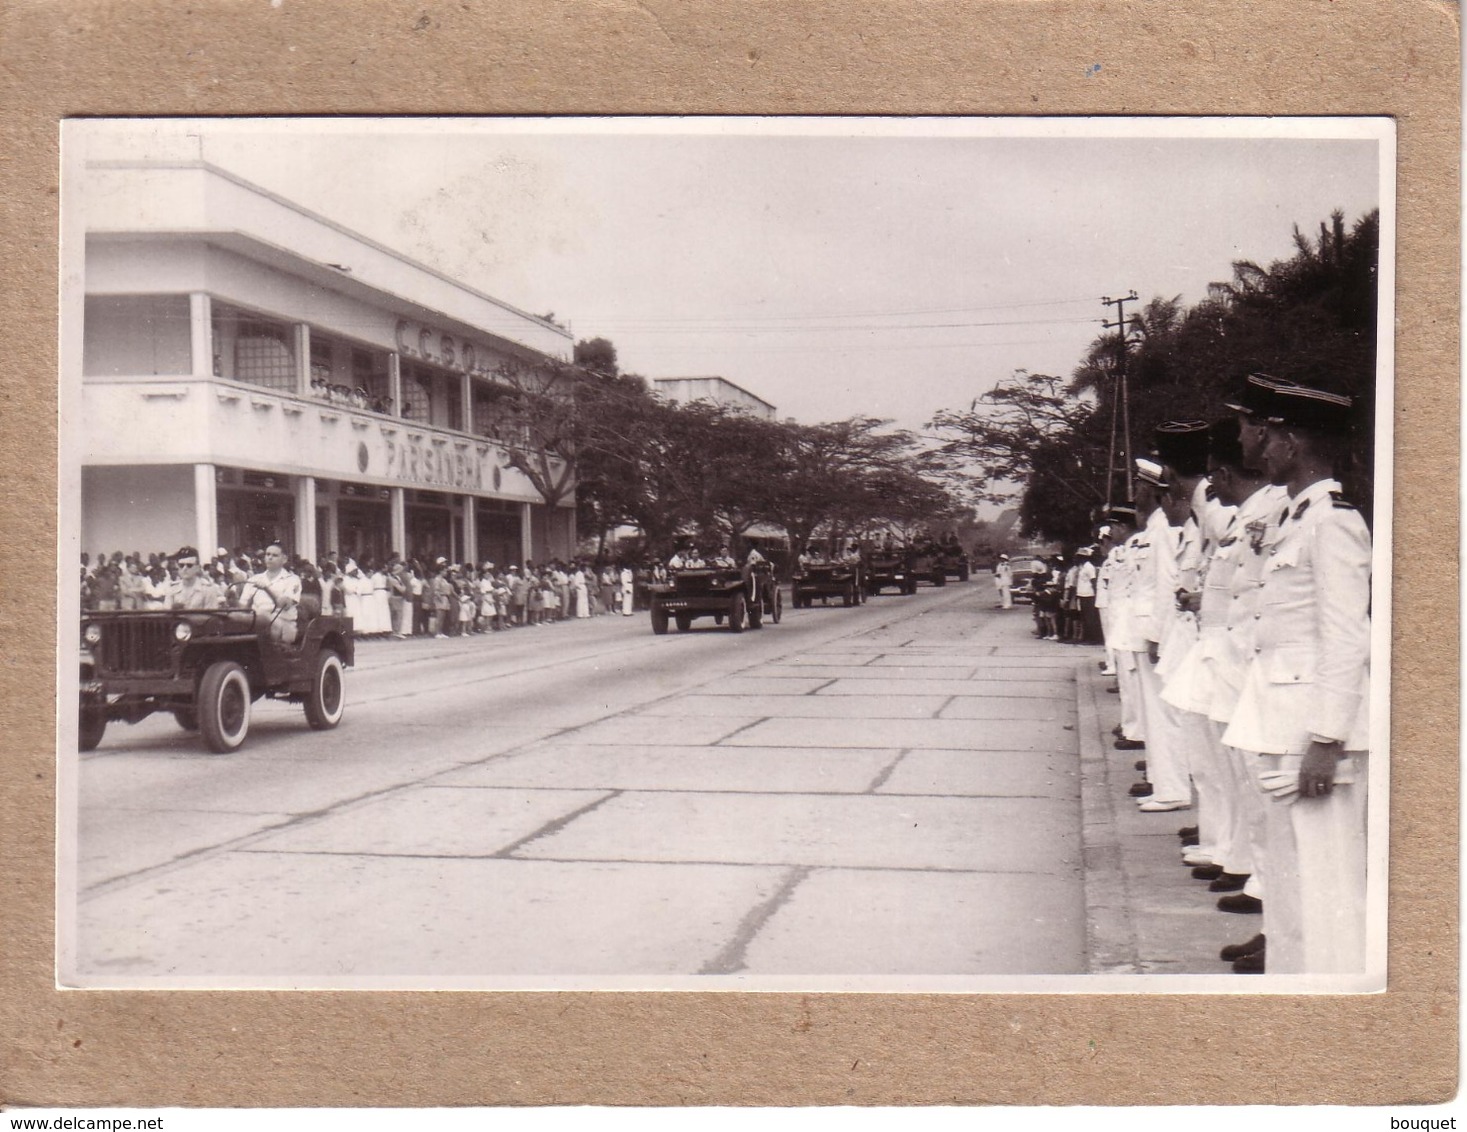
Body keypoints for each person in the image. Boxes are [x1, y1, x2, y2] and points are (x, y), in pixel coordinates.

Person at [1222, 376, 1371, 975]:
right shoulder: (1295, 516)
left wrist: (1327, 740)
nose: (1256, 446)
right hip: (1279, 724)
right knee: (1287, 882)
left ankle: (1337, 1012)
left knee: (1325, 886)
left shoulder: (1331, 521)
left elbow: (1346, 636)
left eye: (1267, 434)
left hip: (1310, 735)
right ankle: (1291, 994)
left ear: (1292, 442)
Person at [237, 542, 301, 644]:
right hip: (256, 621)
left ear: (284, 559)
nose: (270, 558)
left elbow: (285, 605)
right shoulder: (255, 579)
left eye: (274, 555)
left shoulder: (292, 579)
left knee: (266, 621)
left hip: (283, 623)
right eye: (267, 554)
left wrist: (267, 589)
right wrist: (233, 602)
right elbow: (242, 606)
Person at [166, 546, 223, 610]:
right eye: (181, 565)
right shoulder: (172, 589)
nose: (185, 569)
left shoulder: (207, 589)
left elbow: (211, 617)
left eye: (189, 565)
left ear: (197, 567)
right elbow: (166, 615)